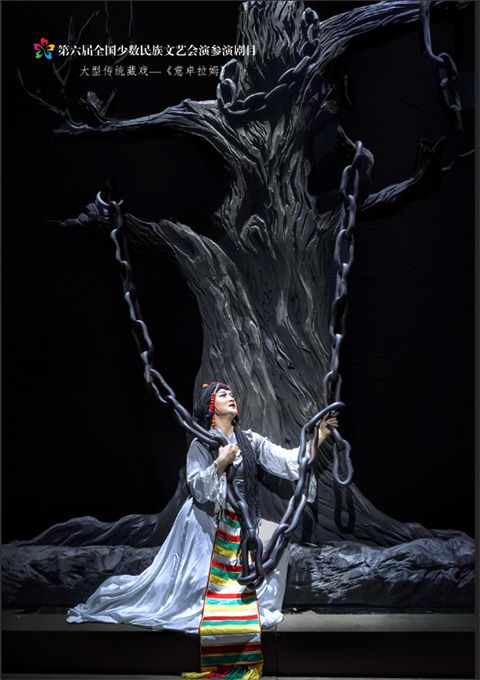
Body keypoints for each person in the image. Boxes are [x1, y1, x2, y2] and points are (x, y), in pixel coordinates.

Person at [67, 381, 338, 678]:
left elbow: (287, 461)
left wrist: (318, 437)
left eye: (231, 394)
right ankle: (218, 609)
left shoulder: (250, 440)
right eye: (223, 395)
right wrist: (220, 463)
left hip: (244, 522)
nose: (231, 397)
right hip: (208, 523)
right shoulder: (202, 444)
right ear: (211, 407)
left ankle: (254, 604)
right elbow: (198, 488)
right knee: (199, 584)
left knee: (277, 540)